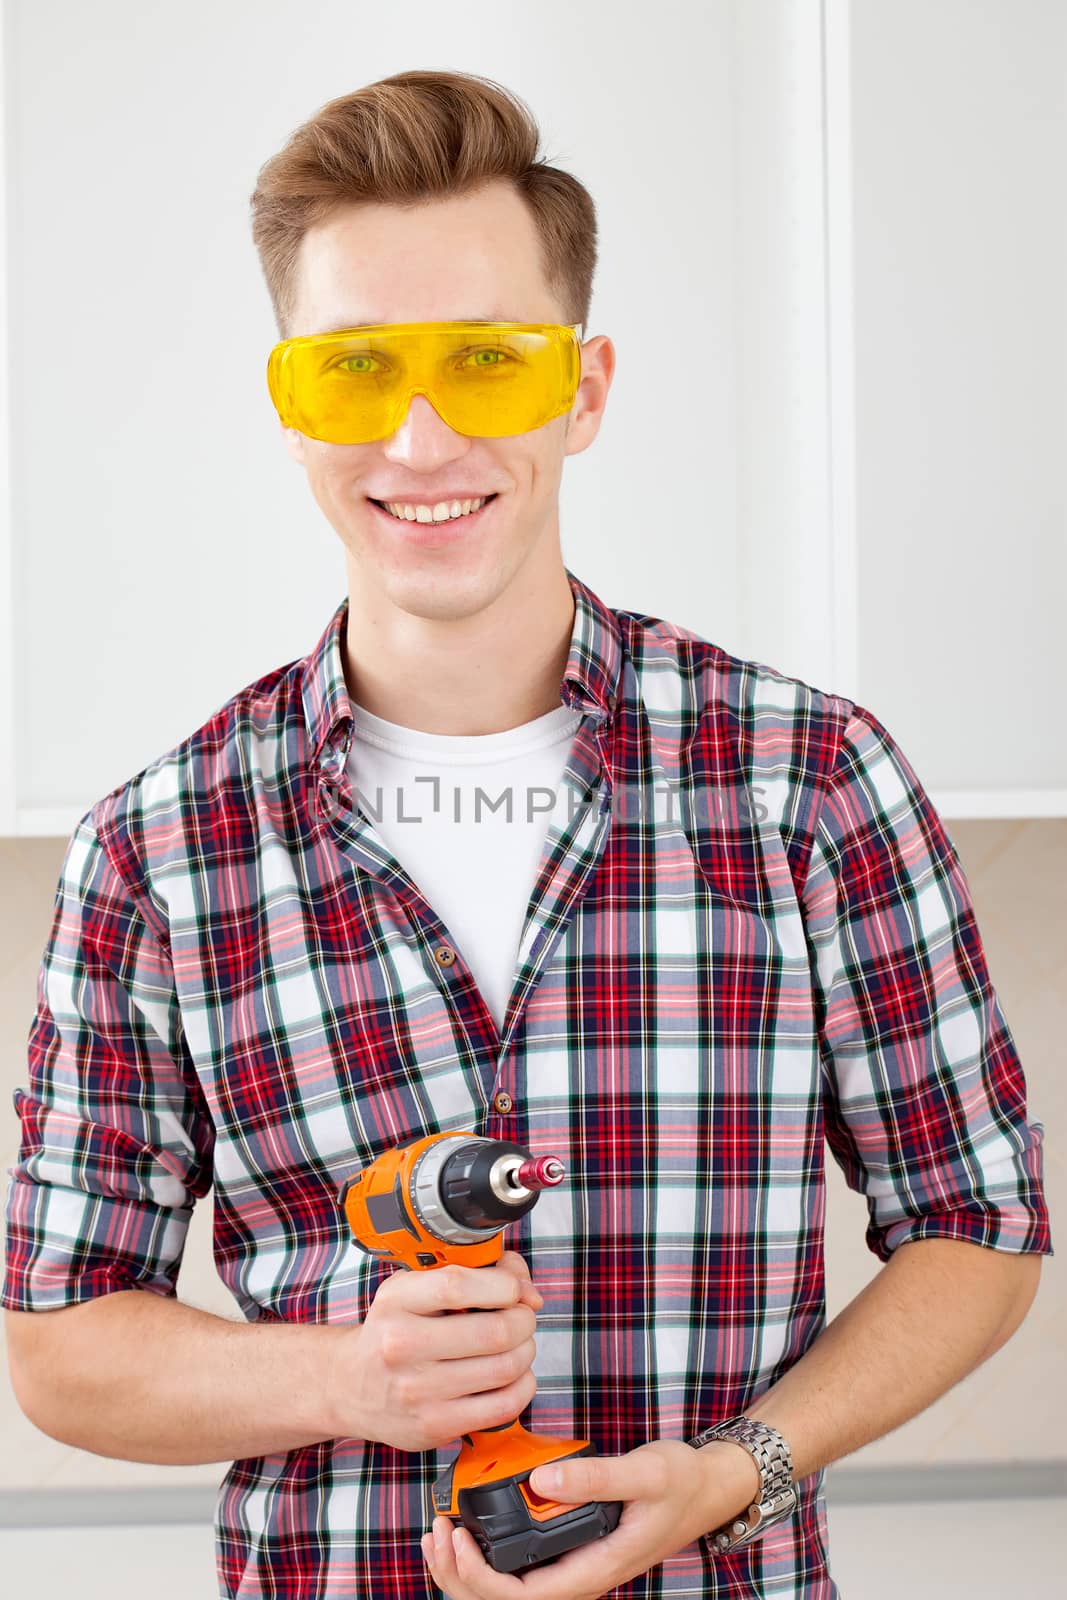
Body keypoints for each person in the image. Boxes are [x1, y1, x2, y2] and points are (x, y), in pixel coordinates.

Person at [2, 69, 1052, 1600]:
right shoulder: (159, 850)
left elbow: (981, 1227)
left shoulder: (810, 779)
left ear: (586, 385)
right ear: (289, 408)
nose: (422, 441)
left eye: (490, 362)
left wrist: (733, 1475)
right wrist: (348, 1382)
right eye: (356, 372)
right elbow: (57, 1342)